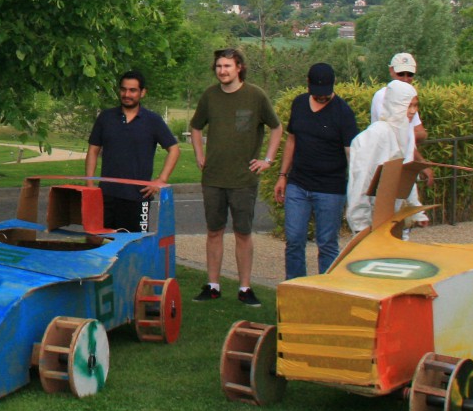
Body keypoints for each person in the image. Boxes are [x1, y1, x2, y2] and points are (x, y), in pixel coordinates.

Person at [189, 48, 282, 306]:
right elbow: (196, 127)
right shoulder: (210, 96)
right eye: (219, 66)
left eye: (227, 66)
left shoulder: (255, 96)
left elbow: (276, 128)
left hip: (243, 179)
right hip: (213, 178)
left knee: (243, 233)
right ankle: (213, 285)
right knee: (213, 231)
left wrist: (268, 160)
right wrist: (199, 154)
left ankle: (244, 288)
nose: (222, 71)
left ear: (239, 67)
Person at [274, 63, 359, 278]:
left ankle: (326, 291)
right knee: (294, 239)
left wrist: (356, 190)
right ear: (308, 85)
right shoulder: (299, 104)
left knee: (327, 243)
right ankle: (295, 288)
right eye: (317, 94)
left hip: (330, 188)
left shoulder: (343, 113)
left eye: (326, 94)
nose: (321, 98)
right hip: (298, 184)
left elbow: (352, 154)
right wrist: (282, 175)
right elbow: (292, 140)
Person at [83, 69, 179, 232]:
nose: (127, 94)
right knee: (101, 244)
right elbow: (93, 151)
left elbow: (174, 149)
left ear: (142, 92)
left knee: (137, 246)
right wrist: (90, 184)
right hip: (106, 196)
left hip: (138, 198)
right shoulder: (105, 118)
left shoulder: (152, 120)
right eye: (123, 89)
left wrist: (160, 180)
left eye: (133, 90)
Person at [345, 79, 418, 233]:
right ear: (396, 105)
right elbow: (361, 180)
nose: (412, 111)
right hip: (372, 219)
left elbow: (407, 176)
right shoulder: (376, 135)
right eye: (408, 105)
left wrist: (416, 209)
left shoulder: (405, 134)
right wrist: (361, 226)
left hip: (393, 218)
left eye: (415, 105)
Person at [369, 52, 431, 224]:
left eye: (409, 74)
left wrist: (421, 164)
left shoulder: (409, 96)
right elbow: (407, 135)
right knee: (385, 221)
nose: (405, 78)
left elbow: (417, 134)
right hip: (385, 166)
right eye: (401, 74)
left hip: (401, 165)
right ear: (391, 71)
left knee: (402, 223)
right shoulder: (383, 96)